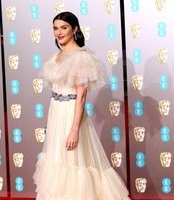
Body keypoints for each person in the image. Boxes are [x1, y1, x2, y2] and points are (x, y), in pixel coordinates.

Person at [33, 11, 130, 200]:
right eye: (55, 28)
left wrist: (74, 129)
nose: (59, 32)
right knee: (57, 161)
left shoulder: (81, 57)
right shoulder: (57, 57)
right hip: (57, 114)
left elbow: (81, 96)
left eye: (64, 27)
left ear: (75, 29)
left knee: (73, 163)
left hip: (71, 115)